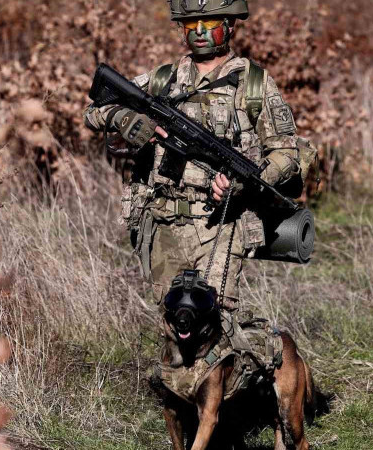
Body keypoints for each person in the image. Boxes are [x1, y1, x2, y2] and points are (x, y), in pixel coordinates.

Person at [83, 0, 314, 380]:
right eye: (192, 24)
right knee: (173, 321)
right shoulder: (162, 80)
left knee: (216, 324)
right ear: (180, 28)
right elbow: (93, 110)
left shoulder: (254, 84)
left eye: (210, 23)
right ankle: (183, 411)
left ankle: (250, 392)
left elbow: (286, 152)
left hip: (221, 225)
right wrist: (126, 119)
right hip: (164, 222)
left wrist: (248, 181)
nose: (201, 32)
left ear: (230, 25)